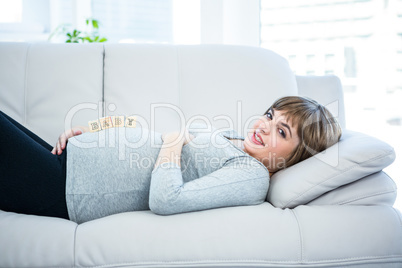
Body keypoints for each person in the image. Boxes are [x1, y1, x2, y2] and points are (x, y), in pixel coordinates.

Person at [0, 96, 341, 223]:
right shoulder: (237, 141)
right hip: (68, 160)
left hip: (67, 189)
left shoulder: (250, 176)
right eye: (270, 115)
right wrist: (92, 130)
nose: (265, 126)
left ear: (296, 157)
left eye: (282, 132)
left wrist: (174, 144)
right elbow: (151, 135)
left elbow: (166, 199)